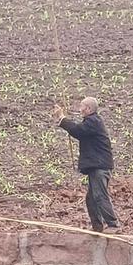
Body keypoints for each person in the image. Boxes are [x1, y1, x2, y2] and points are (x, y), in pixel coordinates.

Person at [56, 96, 118, 230]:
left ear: (88, 109)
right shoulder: (92, 121)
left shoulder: (93, 122)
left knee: (100, 196)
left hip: (99, 167)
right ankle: (97, 227)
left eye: (82, 106)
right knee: (91, 199)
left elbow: (78, 131)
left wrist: (62, 119)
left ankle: (113, 225)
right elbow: (79, 130)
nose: (80, 109)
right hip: (97, 166)